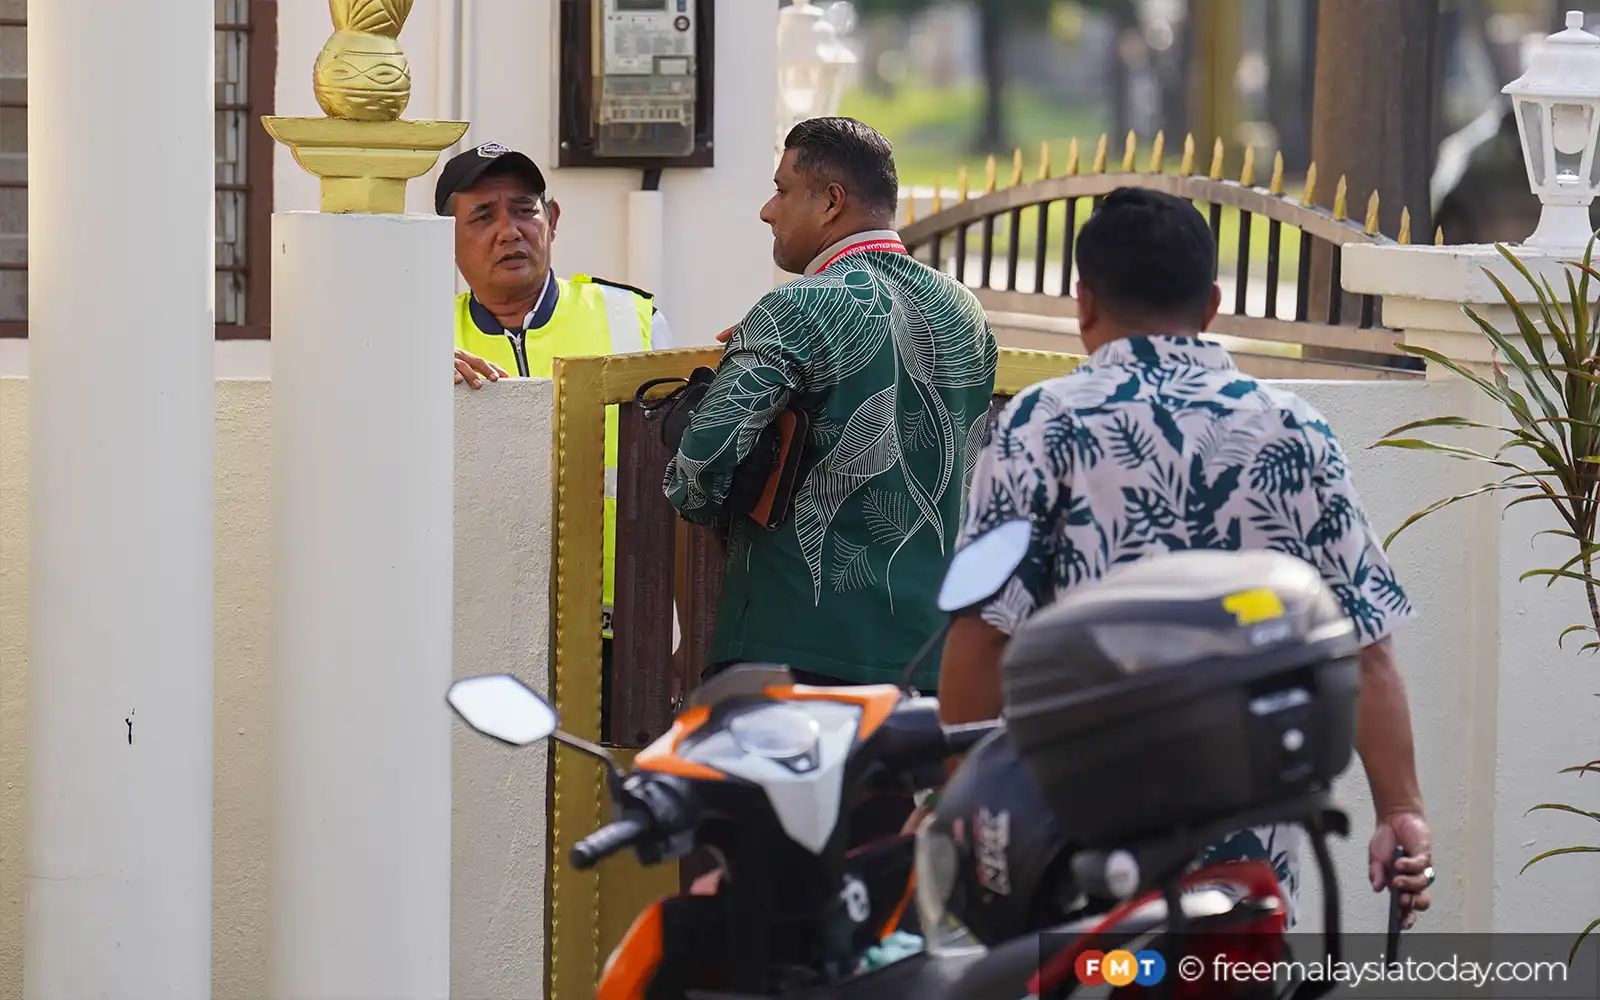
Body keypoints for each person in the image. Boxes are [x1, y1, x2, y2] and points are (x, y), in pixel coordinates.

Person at [939, 188, 1435, 928]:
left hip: (1084, 856)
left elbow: (982, 637)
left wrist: (964, 813)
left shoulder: (1043, 424)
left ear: (1083, 302)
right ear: (1211, 304)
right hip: (1247, 874)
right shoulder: (1294, 431)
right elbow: (1367, 651)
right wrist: (1400, 812)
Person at [663, 117, 998, 693]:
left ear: (831, 202)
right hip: (929, 654)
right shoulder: (963, 311)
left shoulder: (800, 304)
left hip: (795, 647)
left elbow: (699, 471)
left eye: (782, 189)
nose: (768, 211)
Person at [437, 141, 674, 736]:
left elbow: (688, 470)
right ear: (448, 239)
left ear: (554, 220)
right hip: (477, 628)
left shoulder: (630, 318)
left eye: (524, 210)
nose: (509, 232)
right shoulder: (425, 335)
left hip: (619, 628)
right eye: (483, 217)